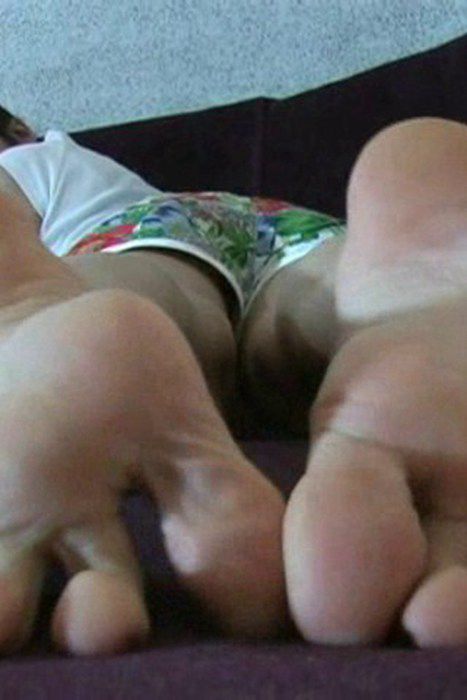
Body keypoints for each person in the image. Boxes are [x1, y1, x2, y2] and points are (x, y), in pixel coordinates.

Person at [0, 108, 465, 656]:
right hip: (285, 228)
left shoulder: (25, 164)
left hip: (126, 238)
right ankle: (417, 306)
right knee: (333, 293)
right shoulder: (73, 160)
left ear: (19, 136)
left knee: (145, 289)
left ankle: (44, 321)